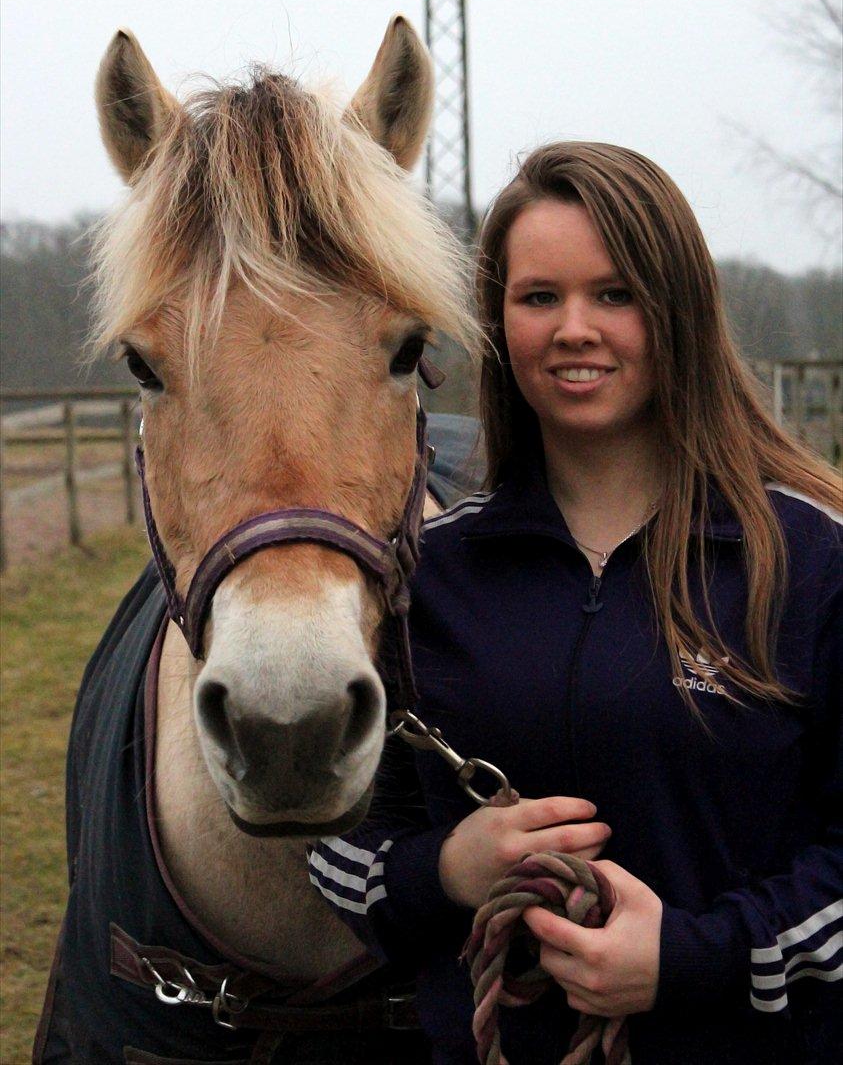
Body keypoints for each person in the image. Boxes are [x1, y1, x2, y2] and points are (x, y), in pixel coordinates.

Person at [308, 142, 842, 1064]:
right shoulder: (422, 581)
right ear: (498, 320)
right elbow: (332, 845)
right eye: (539, 297)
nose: (574, 329)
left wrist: (690, 957)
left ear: (676, 311)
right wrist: (443, 870)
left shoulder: (807, 559)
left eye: (615, 294)